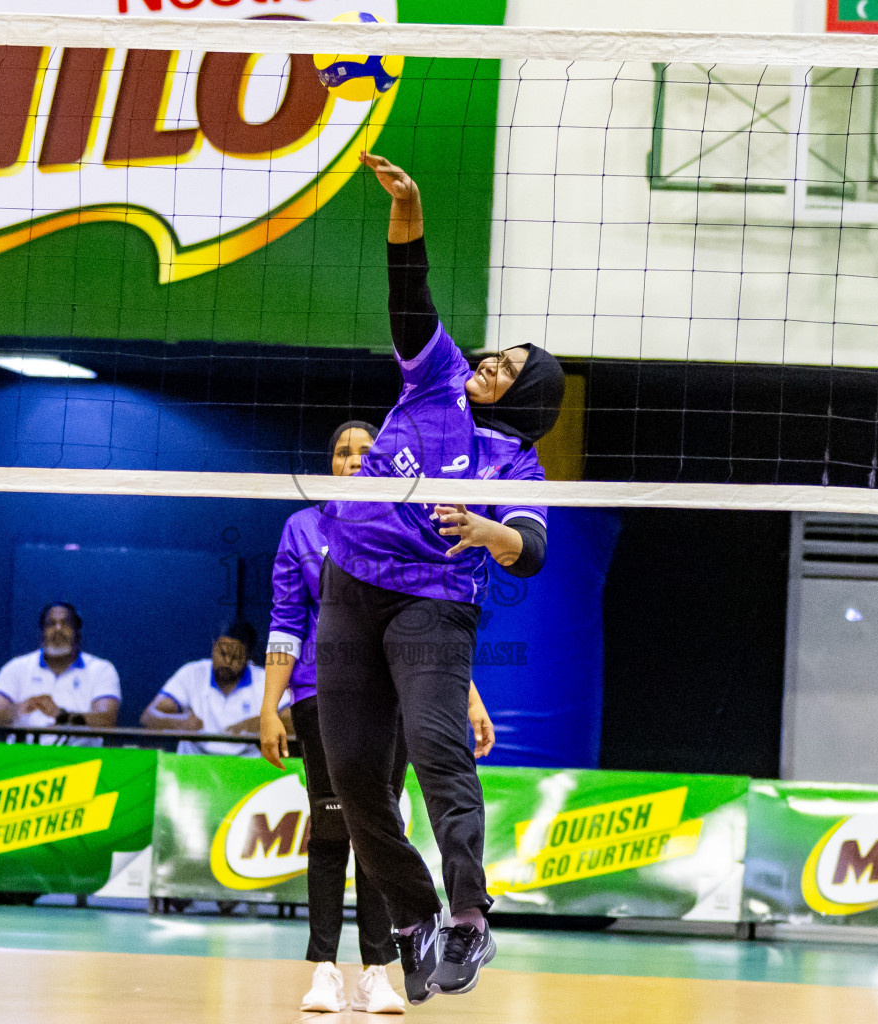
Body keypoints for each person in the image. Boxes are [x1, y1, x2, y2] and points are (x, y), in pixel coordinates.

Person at [314, 152, 563, 1004]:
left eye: (507, 366)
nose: (490, 362)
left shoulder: (518, 463)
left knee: (435, 749)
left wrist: (491, 529)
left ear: (525, 393)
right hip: (349, 584)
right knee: (351, 778)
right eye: (494, 356)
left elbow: (529, 549)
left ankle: (468, 917)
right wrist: (408, 207)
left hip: (433, 603)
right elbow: (409, 289)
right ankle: (416, 918)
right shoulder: (437, 375)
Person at [260, 422, 497, 1015]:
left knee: (379, 827)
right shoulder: (303, 528)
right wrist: (269, 705)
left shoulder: (407, 517)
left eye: (366, 451)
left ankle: (376, 970)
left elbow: (425, 610)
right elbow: (286, 620)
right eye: (342, 452)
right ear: (330, 465)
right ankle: (322, 968)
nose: (354, 459)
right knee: (333, 827)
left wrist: (467, 695)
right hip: (322, 690)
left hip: (399, 685)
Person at [0, 602, 119, 747]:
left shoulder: (101, 669)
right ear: (41, 632)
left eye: (66, 623)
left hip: (81, 759)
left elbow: (106, 721)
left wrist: (62, 716)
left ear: (77, 632)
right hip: (21, 758)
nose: (58, 629)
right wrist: (17, 710)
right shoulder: (17, 667)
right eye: (51, 624)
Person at [141, 620, 286, 757]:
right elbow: (148, 717)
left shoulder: (265, 680)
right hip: (191, 768)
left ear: (248, 656)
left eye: (235, 657)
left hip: (248, 770)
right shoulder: (192, 673)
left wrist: (265, 722)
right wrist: (180, 723)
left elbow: (294, 720)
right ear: (213, 645)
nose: (227, 662)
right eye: (222, 653)